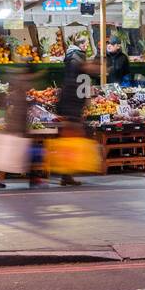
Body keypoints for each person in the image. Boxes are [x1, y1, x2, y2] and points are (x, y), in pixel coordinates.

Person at [0, 59, 44, 189]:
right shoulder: (22, 82)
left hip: (16, 124)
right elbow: (16, 104)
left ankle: (33, 178)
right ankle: (33, 179)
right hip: (16, 125)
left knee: (12, 153)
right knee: (9, 154)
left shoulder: (19, 80)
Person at [56, 44, 92, 186]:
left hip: (66, 108)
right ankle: (66, 174)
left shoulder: (68, 67)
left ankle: (66, 174)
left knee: (68, 143)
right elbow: (83, 92)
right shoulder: (81, 72)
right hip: (73, 110)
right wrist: (84, 106)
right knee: (72, 143)